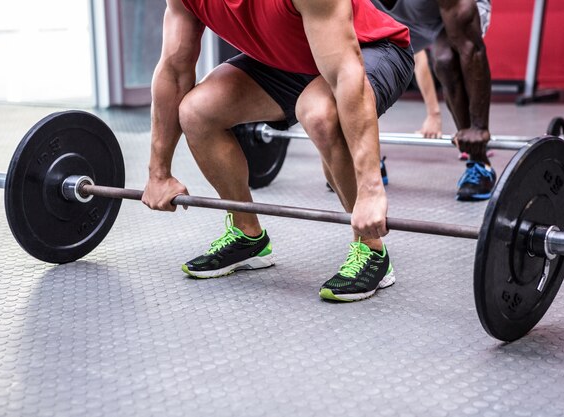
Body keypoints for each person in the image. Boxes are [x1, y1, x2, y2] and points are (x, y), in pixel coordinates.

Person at [141, 0, 415, 302]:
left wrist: (371, 189)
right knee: (196, 112)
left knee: (320, 114)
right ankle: (247, 235)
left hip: (370, 48)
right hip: (290, 60)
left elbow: (345, 73)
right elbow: (174, 70)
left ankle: (371, 248)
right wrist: (159, 173)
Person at [376, 0, 495, 201]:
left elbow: (470, 48)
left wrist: (478, 127)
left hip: (451, 12)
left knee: (446, 60)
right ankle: (370, 163)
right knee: (355, 57)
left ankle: (479, 163)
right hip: (403, 19)